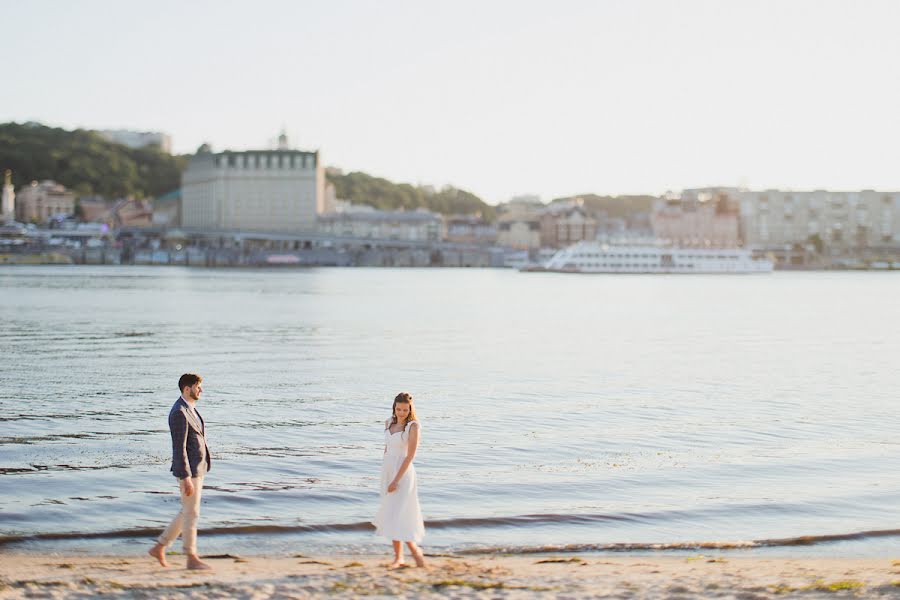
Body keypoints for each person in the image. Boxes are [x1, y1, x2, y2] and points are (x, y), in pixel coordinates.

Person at [148, 373, 212, 570]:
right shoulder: (179, 412)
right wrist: (185, 477)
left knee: (187, 512)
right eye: (198, 387)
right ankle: (190, 556)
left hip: (197, 469)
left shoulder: (190, 409)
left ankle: (159, 547)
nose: (201, 390)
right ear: (187, 388)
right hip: (189, 472)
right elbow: (179, 447)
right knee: (191, 513)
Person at [373, 392, 426, 569]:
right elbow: (386, 448)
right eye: (398, 409)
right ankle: (399, 557)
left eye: (405, 409)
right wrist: (385, 474)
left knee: (400, 513)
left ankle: (414, 552)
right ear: (394, 407)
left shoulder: (413, 426)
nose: (401, 412)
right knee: (391, 513)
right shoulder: (388, 422)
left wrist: (396, 480)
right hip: (387, 469)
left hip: (403, 473)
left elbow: (410, 456)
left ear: (410, 409)